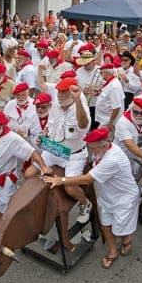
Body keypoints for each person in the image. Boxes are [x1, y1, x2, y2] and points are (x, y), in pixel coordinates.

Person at [42, 127, 140, 269]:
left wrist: (61, 180)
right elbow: (93, 166)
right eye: (90, 148)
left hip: (124, 198)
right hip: (108, 195)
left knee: (120, 229)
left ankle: (126, 239)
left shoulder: (112, 159)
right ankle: (113, 251)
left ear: (104, 145)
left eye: (94, 149)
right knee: (106, 223)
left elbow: (87, 180)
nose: (92, 152)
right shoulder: (102, 150)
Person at [38, 77, 93, 225]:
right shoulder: (55, 105)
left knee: (70, 187)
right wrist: (43, 135)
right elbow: (49, 127)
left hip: (73, 155)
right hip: (54, 149)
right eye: (59, 91)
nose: (60, 95)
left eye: (64, 92)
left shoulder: (80, 106)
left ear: (72, 93)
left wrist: (78, 101)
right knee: (31, 173)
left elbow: (83, 126)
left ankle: (85, 203)